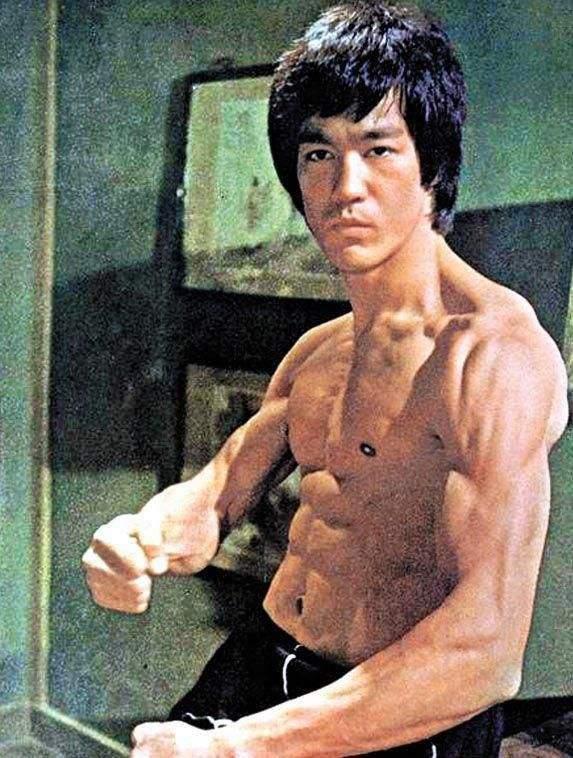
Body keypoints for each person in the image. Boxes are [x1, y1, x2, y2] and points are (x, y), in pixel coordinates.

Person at [82, 2, 569, 756]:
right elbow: (215, 493)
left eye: (379, 149)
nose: (345, 187)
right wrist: (138, 540)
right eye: (318, 154)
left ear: (433, 167)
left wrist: (235, 749)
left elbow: (485, 649)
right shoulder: (322, 350)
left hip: (400, 710)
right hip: (267, 659)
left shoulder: (489, 356)